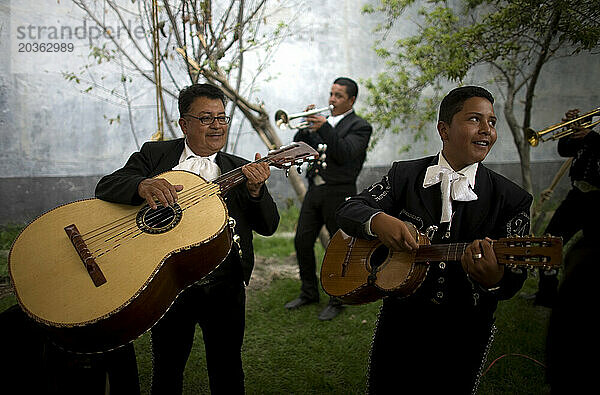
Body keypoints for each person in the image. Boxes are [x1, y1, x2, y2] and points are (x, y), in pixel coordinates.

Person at [335, 86, 532, 393]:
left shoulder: (511, 199)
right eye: (474, 119)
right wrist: (378, 220)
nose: (486, 130)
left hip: (465, 329)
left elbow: (513, 279)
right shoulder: (405, 175)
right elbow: (350, 210)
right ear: (444, 129)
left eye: (492, 122)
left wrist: (493, 279)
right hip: (401, 323)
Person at [95, 83, 280, 394]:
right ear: (184, 123)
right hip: (169, 282)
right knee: (167, 367)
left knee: (228, 368)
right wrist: (141, 185)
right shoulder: (155, 155)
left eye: (222, 118)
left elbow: (269, 226)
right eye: (206, 118)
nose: (217, 126)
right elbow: (106, 186)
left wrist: (255, 191)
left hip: (225, 285)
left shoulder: (239, 168)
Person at [284, 77, 372, 321]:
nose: (332, 100)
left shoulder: (360, 126)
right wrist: (304, 126)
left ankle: (338, 298)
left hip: (339, 192)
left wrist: (324, 127)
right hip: (316, 190)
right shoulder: (323, 124)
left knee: (338, 247)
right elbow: (299, 147)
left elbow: (344, 153)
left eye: (339, 96)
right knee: (302, 240)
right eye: (331, 94)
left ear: (351, 100)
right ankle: (309, 292)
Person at [532, 108, 600, 307]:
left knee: (592, 251)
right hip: (578, 195)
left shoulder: (592, 131)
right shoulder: (593, 118)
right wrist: (571, 129)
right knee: (549, 242)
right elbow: (565, 150)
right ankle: (546, 296)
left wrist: (590, 136)